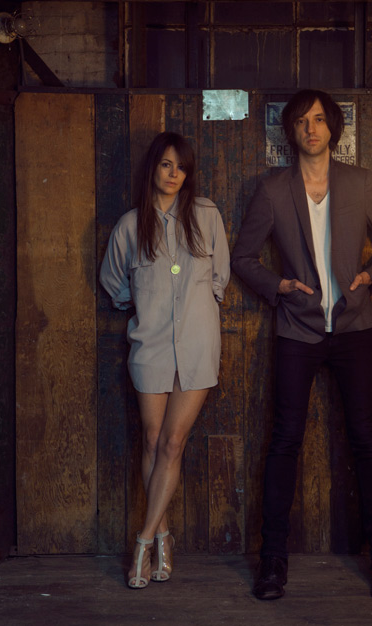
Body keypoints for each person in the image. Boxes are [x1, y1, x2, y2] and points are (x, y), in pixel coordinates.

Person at [231, 90, 372, 601]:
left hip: (353, 327)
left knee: (366, 440)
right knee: (284, 440)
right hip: (297, 328)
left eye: (318, 120)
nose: (310, 129)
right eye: (301, 121)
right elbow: (243, 258)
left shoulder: (360, 183)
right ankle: (272, 562)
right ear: (291, 131)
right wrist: (280, 286)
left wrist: (370, 278)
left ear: (332, 128)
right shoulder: (273, 189)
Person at [100, 131, 230, 589]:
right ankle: (164, 536)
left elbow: (219, 277)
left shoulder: (206, 215)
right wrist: (149, 306)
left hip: (196, 344)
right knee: (153, 441)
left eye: (182, 167)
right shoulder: (130, 226)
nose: (175, 174)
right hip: (150, 347)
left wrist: (197, 310)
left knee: (174, 443)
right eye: (166, 165)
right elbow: (115, 285)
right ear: (153, 168)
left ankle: (142, 543)